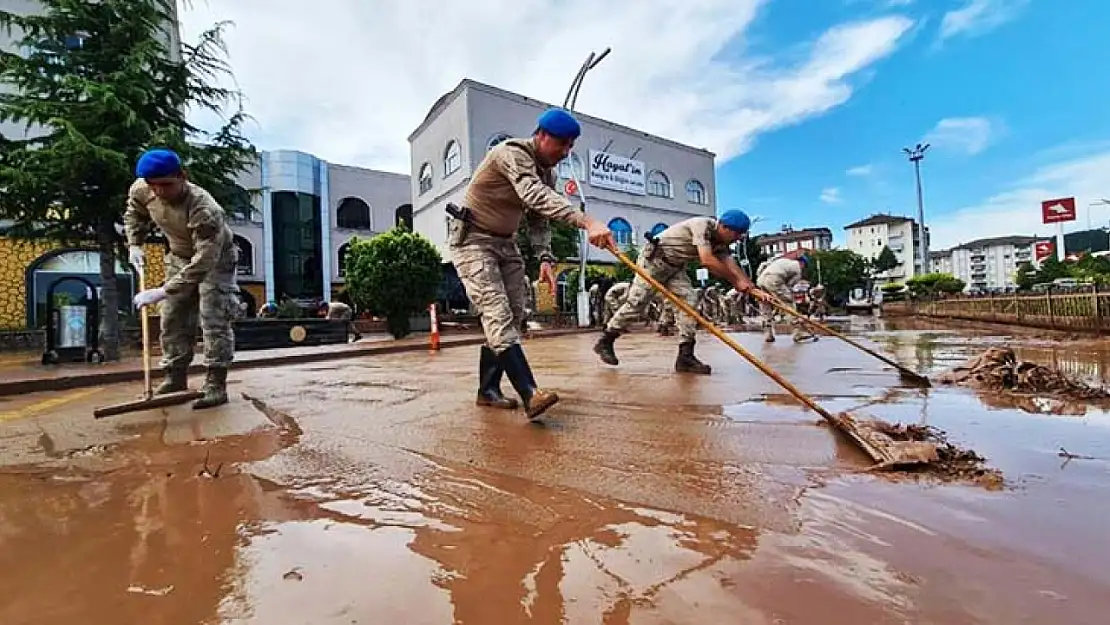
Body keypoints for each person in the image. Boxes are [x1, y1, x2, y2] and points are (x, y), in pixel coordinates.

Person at [450, 108, 615, 421]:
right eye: (562, 144)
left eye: (571, 146)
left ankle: (488, 391)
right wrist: (586, 220)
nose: (566, 152)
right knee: (496, 313)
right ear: (541, 135)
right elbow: (533, 195)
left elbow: (539, 219)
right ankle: (530, 393)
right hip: (473, 242)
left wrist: (545, 258)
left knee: (513, 316)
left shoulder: (547, 173)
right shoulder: (510, 153)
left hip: (505, 242)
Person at [125, 148, 238, 409]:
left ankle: (215, 384)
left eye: (166, 185)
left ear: (181, 176)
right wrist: (135, 244)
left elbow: (205, 260)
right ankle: (175, 376)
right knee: (172, 315)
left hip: (215, 260)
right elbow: (135, 213)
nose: (160, 192)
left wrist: (164, 290)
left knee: (214, 317)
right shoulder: (142, 189)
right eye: (154, 187)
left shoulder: (204, 208)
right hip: (179, 255)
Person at [594, 210, 762, 374]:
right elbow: (707, 260)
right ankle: (606, 340)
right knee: (637, 304)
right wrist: (736, 282)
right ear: (724, 227)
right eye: (737, 233)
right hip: (653, 262)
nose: (738, 238)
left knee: (689, 301)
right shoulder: (702, 226)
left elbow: (731, 264)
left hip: (675, 268)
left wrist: (751, 288)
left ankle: (685, 356)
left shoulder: (721, 243)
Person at [756, 249, 816, 343]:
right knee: (789, 303)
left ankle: (768, 334)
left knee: (765, 306)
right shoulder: (798, 269)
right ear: (803, 263)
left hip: (760, 280)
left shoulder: (782, 261)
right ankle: (798, 333)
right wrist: (782, 299)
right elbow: (789, 287)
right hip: (774, 279)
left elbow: (762, 268)